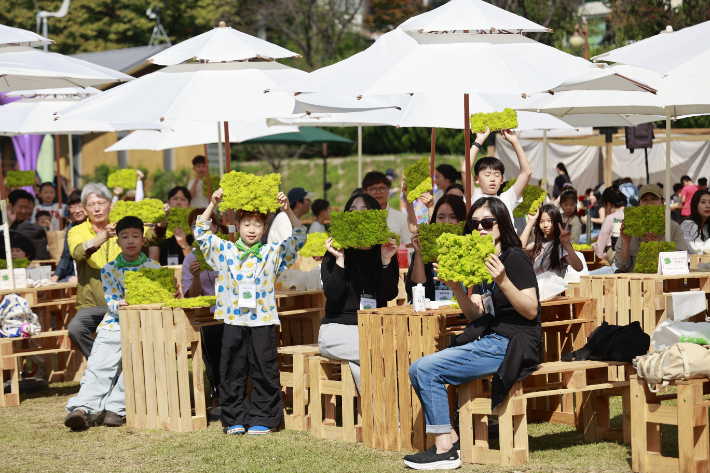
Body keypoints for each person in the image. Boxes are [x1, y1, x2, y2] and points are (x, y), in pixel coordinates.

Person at [403, 197, 541, 470]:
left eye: (488, 223)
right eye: (474, 223)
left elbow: (531, 310)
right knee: (416, 368)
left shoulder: (514, 258)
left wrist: (502, 280)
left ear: (502, 224)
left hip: (515, 342)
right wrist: (456, 288)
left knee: (428, 369)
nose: (480, 228)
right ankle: (451, 439)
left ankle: (445, 451)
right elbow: (478, 317)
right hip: (492, 337)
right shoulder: (481, 260)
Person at [194, 188, 306, 435]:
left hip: (263, 320)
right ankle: (234, 417)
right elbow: (200, 233)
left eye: (257, 224)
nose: (252, 229)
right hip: (233, 319)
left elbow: (299, 236)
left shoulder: (271, 252)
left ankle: (263, 418)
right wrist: (213, 203)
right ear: (238, 226)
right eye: (246, 224)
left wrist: (286, 209)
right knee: (231, 368)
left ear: (265, 229)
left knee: (264, 368)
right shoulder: (225, 251)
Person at [64, 216, 173, 430]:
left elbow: (161, 299)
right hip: (114, 323)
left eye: (135, 236)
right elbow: (111, 301)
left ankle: (116, 408)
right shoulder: (109, 269)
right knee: (98, 364)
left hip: (144, 325)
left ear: (143, 240)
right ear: (117, 242)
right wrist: (122, 304)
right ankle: (82, 409)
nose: (130, 241)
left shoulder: (154, 268)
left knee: (140, 362)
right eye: (125, 237)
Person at [67, 183, 167, 359]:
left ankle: (133, 364)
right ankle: (102, 363)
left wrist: (161, 222)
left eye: (101, 203)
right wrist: (104, 235)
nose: (97, 209)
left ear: (111, 205)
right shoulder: (77, 230)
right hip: (93, 304)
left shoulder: (123, 227)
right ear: (84, 208)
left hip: (126, 300)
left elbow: (153, 237)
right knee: (75, 328)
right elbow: (78, 253)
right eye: (91, 205)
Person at [320, 193, 399, 392]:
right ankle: (390, 414)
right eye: (352, 212)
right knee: (379, 352)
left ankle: (379, 416)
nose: (358, 217)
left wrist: (386, 261)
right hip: (337, 329)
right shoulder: (335, 251)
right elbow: (333, 295)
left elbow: (389, 294)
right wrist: (339, 259)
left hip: (375, 328)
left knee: (367, 361)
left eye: (364, 212)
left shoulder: (384, 249)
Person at [182, 208, 226, 404]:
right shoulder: (190, 259)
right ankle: (217, 392)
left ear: (215, 227)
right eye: (194, 226)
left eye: (206, 225)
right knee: (211, 334)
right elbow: (193, 297)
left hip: (232, 311)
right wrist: (196, 277)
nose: (199, 229)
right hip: (207, 316)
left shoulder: (227, 250)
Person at [406, 194, 467, 302]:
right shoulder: (425, 247)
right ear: (434, 220)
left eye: (453, 217)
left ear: (462, 220)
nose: (446, 222)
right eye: (441, 217)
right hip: (431, 313)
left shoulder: (470, 248)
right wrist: (419, 253)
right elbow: (416, 290)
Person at [614, 184, 688, 273]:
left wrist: (659, 247)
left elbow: (680, 262)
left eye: (654, 199)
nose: (649, 204)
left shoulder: (673, 227)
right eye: (644, 200)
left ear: (662, 201)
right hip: (634, 282)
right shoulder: (630, 228)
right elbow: (621, 266)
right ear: (639, 203)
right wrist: (626, 242)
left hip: (663, 282)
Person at [468, 127, 532, 225]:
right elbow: (465, 171)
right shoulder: (474, 198)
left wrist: (515, 141)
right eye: (487, 175)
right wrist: (478, 141)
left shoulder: (507, 198)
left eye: (497, 175)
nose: (492, 179)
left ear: (502, 180)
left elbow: (526, 173)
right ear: (476, 179)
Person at [521, 205, 583, 277]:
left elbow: (579, 267)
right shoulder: (539, 245)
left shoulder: (560, 246)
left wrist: (566, 244)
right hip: (537, 287)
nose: (545, 225)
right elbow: (520, 247)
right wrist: (531, 222)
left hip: (554, 287)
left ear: (557, 222)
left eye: (549, 221)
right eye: (541, 221)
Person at [363, 171, 413, 247]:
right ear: (365, 192)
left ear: (388, 190)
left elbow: (409, 246)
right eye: (373, 189)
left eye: (382, 188)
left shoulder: (401, 218)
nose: (378, 192)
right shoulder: (360, 219)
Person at [149, 186, 193, 266]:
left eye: (183, 199)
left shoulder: (194, 226)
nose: (178, 202)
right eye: (175, 199)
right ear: (168, 203)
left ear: (189, 205)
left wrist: (184, 244)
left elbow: (195, 261)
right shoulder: (158, 227)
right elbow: (153, 258)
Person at [590, 185, 628, 275]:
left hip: (618, 266)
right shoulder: (633, 215)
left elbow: (599, 252)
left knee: (583, 276)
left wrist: (595, 245)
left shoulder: (610, 218)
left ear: (609, 204)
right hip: (633, 265)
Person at [52, 193, 87, 283]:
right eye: (72, 207)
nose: (76, 211)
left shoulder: (94, 225)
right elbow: (66, 254)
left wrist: (81, 277)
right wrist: (56, 275)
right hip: (72, 274)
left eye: (80, 206)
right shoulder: (71, 227)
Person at [680, 190, 710, 254]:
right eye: (703, 202)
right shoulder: (689, 225)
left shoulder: (705, 225)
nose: (707, 206)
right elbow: (699, 250)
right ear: (695, 205)